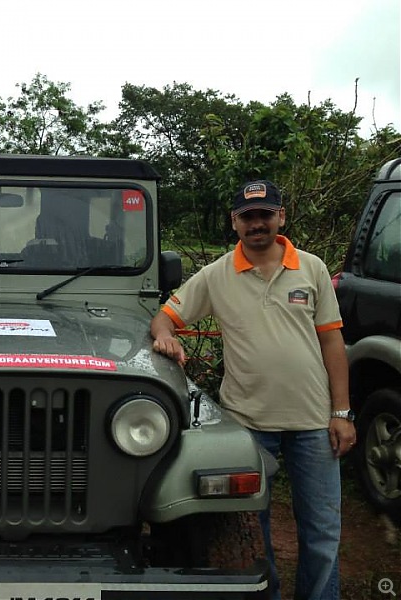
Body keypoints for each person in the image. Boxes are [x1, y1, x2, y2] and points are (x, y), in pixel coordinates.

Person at [150, 180, 355, 600]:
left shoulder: (311, 268)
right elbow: (165, 316)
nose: (257, 224)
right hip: (246, 424)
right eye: (248, 217)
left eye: (265, 214)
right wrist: (166, 336)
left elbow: (333, 342)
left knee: (321, 530)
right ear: (235, 223)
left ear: (280, 217)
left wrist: (342, 412)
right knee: (249, 527)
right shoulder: (217, 274)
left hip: (314, 421)